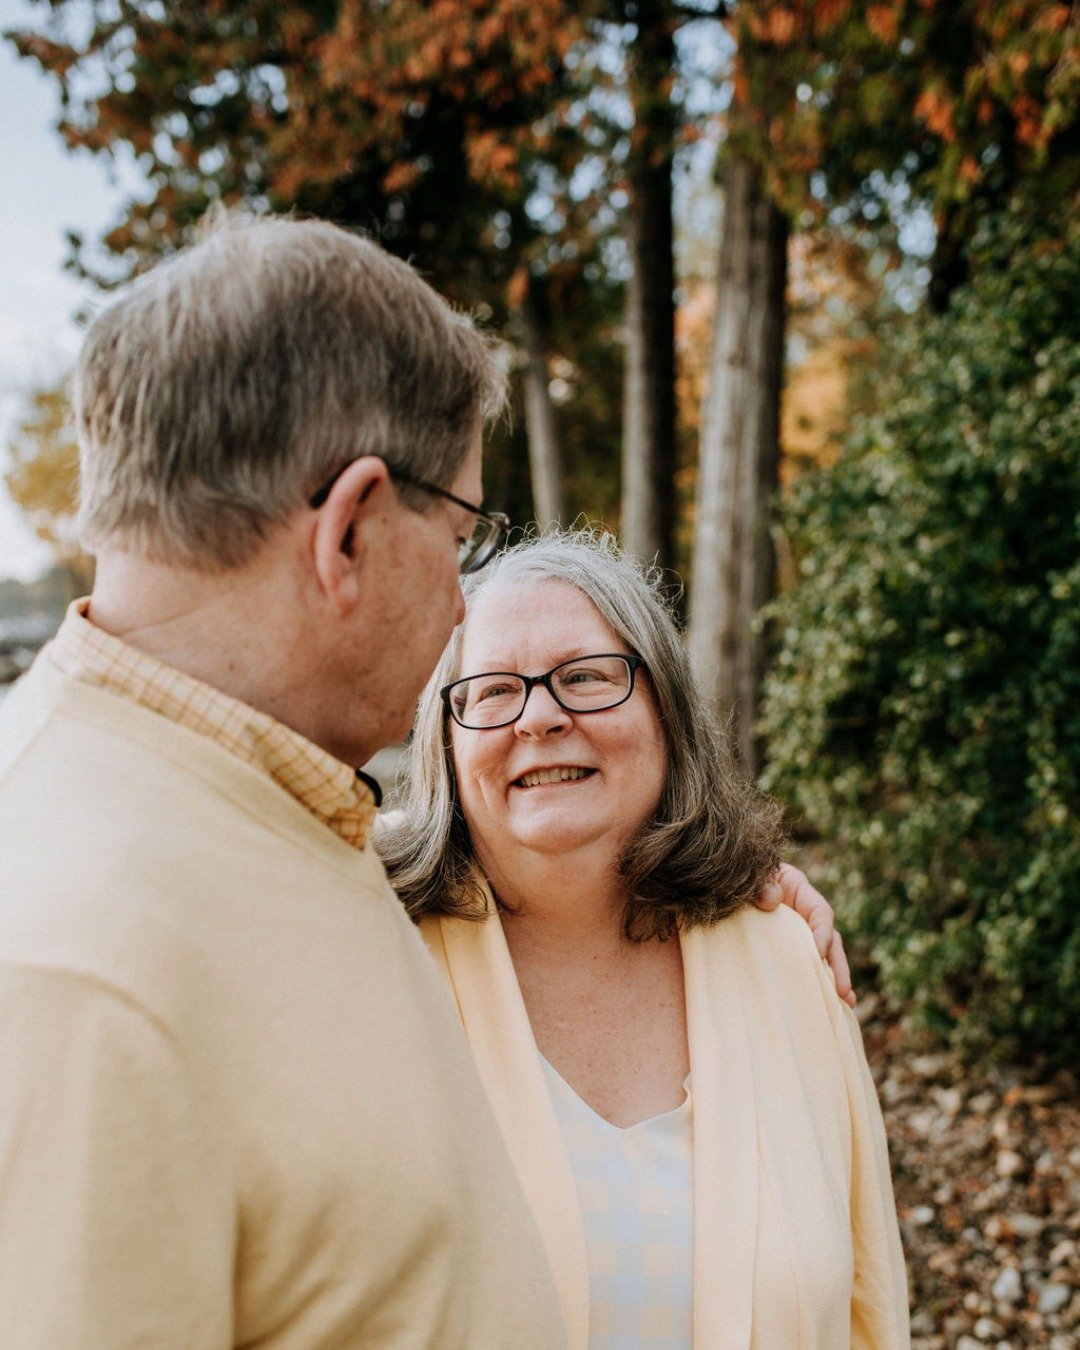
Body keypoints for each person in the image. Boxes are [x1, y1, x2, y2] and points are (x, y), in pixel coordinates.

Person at [0, 214, 567, 1346]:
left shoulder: (257, 795)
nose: (463, 605)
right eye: (462, 537)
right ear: (349, 531)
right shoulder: (75, 973)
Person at [378, 529, 911, 1349]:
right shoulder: (372, 954)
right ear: (446, 743)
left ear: (666, 711)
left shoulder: (784, 961)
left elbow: (869, 1307)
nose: (542, 717)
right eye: (491, 691)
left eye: (586, 677)